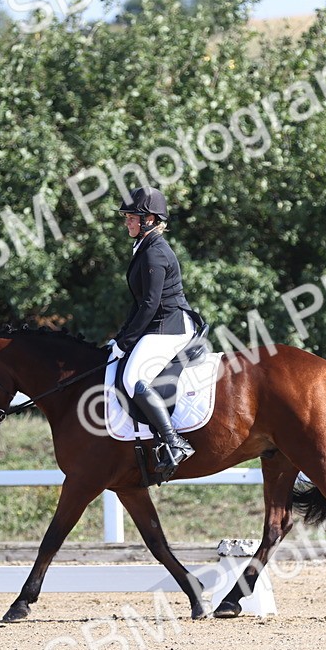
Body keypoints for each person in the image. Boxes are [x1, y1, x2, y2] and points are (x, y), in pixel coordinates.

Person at [109, 186, 204, 476]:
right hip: (158, 324)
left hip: (170, 326)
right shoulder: (145, 247)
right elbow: (139, 304)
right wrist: (121, 337)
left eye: (131, 217)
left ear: (149, 219)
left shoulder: (155, 253)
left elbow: (150, 304)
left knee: (133, 376)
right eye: (126, 217)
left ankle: (174, 442)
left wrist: (126, 343)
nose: (127, 222)